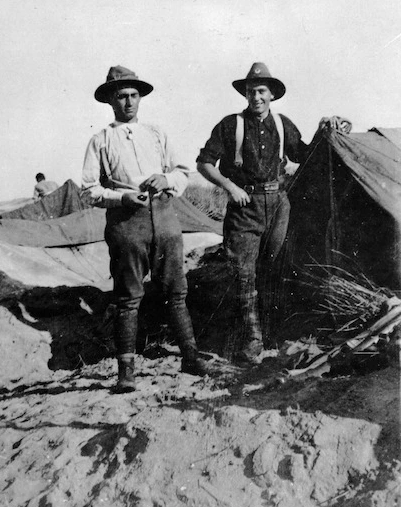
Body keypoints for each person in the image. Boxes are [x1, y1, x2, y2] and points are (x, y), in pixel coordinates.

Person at [196, 62, 351, 364]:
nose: (256, 97)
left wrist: (326, 131)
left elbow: (304, 156)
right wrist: (229, 186)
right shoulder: (231, 125)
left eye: (262, 91)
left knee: (276, 268)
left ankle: (272, 332)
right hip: (244, 208)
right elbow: (204, 163)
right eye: (251, 91)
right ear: (245, 94)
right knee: (244, 272)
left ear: (271, 95)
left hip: (278, 204)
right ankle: (251, 338)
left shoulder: (283, 125)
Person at [82, 65, 210, 392]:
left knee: (176, 291)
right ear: (110, 100)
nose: (128, 102)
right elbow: (88, 190)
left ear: (140, 98)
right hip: (127, 224)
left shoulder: (157, 133)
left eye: (134, 95)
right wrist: (122, 196)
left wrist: (167, 179)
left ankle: (190, 356)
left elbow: (183, 172)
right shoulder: (101, 140)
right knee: (128, 296)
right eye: (121, 96)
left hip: (166, 218)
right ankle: (126, 370)